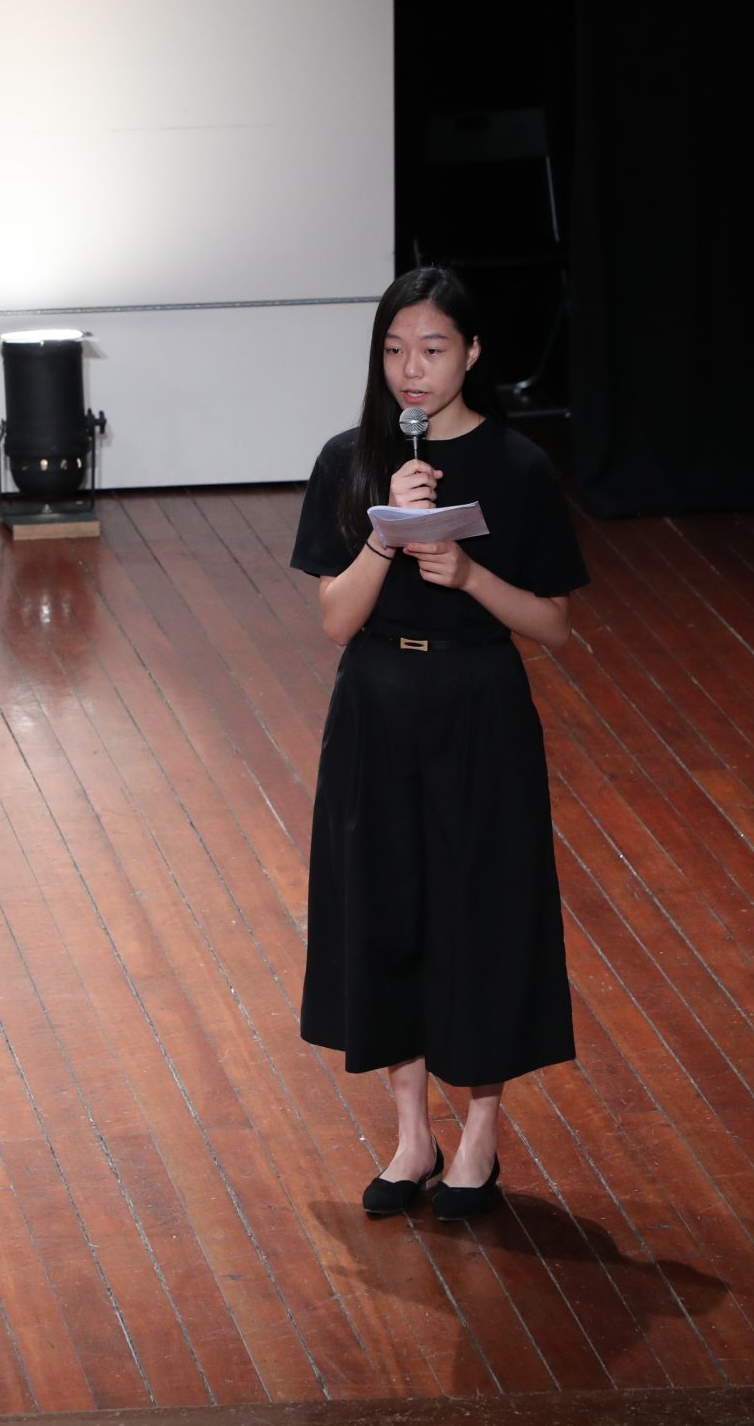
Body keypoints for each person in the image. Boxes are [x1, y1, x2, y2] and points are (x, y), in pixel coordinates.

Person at [289, 266, 589, 1221]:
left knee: (480, 911)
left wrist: (467, 574)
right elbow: (335, 620)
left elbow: (554, 624)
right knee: (385, 910)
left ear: (472, 353)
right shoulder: (350, 460)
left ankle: (481, 1139)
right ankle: (412, 1136)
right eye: (394, 350)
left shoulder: (519, 466)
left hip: (477, 704)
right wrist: (387, 533)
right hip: (376, 706)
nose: (410, 371)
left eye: (431, 349)